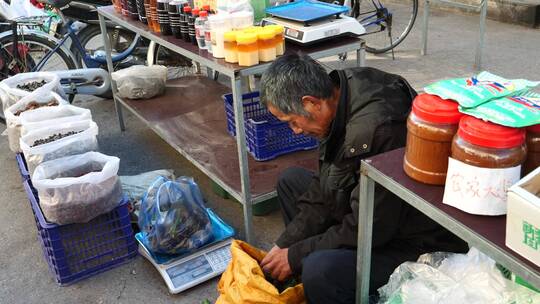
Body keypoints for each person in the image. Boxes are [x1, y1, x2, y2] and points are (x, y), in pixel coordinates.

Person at [258, 53, 468, 303]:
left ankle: (330, 287)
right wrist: (285, 245)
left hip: (414, 240)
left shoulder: (375, 130)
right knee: (290, 181)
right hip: (370, 205)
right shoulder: (340, 89)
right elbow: (326, 184)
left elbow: (371, 228)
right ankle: (314, 284)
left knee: (319, 270)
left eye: (292, 121)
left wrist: (297, 254)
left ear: (311, 102)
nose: (295, 130)